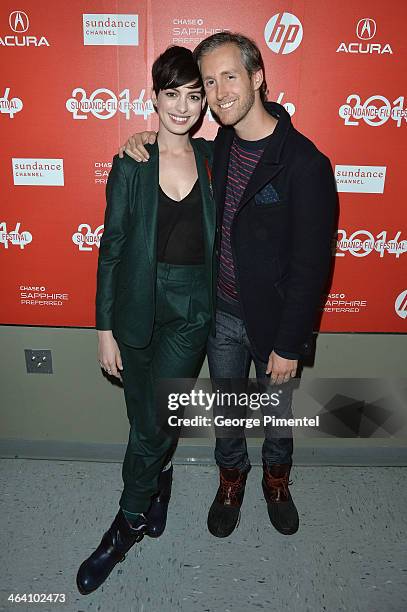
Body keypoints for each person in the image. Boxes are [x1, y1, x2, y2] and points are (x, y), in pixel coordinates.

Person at [123, 32, 337, 539]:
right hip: (219, 315)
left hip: (274, 327)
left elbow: (312, 268)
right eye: (210, 82)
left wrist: (290, 344)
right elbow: (176, 151)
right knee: (228, 411)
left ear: (258, 77)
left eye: (230, 77)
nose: (218, 93)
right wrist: (145, 139)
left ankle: (277, 481)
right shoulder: (216, 147)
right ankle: (231, 481)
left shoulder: (305, 164)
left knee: (278, 415)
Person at [76, 46, 216, 595]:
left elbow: (271, 130)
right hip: (136, 302)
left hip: (192, 309)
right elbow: (110, 248)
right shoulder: (131, 161)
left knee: (155, 419)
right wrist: (104, 328)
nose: (183, 106)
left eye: (194, 94)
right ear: (154, 96)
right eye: (172, 93)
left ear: (204, 101)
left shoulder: (213, 156)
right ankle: (161, 480)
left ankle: (127, 523)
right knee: (146, 415)